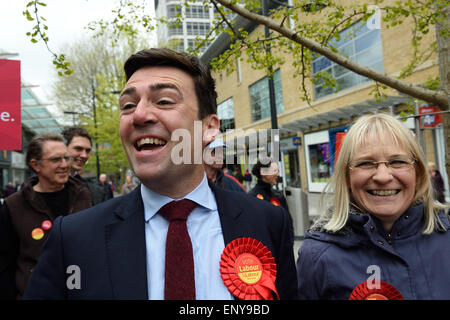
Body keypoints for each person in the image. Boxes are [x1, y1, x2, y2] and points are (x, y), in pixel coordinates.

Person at [24, 48, 297, 300]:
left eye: (164, 101)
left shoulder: (269, 223)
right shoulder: (72, 238)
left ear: (210, 127)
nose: (139, 115)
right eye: (128, 105)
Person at [297, 113, 450, 300]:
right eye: (366, 163)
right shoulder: (317, 256)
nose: (383, 176)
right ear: (346, 177)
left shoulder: (446, 237)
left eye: (397, 162)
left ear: (417, 172)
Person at [0, 132, 91, 299]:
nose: (65, 165)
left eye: (66, 158)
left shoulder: (85, 195)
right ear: (36, 165)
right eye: (56, 159)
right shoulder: (13, 206)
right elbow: (5, 265)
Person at [61, 126, 107, 206]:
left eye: (88, 151)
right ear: (63, 148)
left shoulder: (96, 192)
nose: (84, 155)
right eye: (78, 149)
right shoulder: (38, 187)